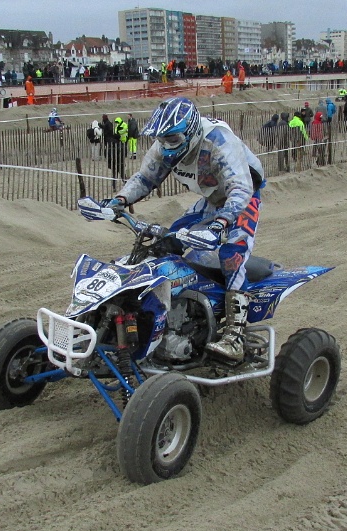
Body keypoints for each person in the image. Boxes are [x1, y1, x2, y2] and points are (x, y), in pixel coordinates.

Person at [89, 96, 265, 362]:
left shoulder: (218, 143)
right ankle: (162, 317)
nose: (166, 146)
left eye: (172, 139)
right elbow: (146, 178)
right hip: (211, 199)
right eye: (162, 139)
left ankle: (235, 336)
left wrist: (220, 224)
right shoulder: (165, 145)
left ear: (191, 132)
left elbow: (240, 189)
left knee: (232, 253)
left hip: (242, 197)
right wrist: (119, 201)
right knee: (168, 242)